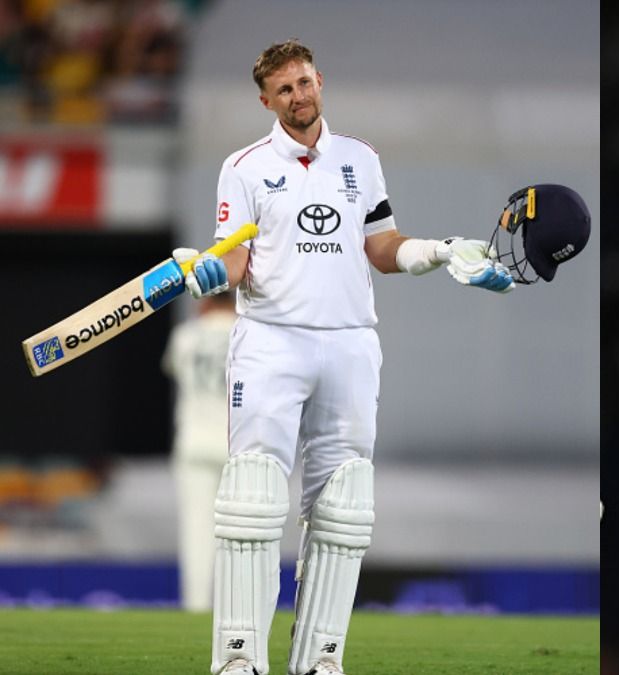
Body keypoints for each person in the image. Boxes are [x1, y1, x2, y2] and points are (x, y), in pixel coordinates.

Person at [180, 39, 519, 675]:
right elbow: (235, 261)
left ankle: (319, 660)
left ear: (320, 81)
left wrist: (441, 251)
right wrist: (207, 273)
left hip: (350, 342)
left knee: (343, 506)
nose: (298, 96)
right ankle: (238, 659)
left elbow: (382, 247)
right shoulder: (244, 166)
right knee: (253, 498)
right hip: (271, 341)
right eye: (284, 90)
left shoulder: (360, 158)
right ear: (266, 101)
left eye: (304, 83)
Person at [162, 291, 237, 613]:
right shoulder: (249, 333)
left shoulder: (185, 336)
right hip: (238, 445)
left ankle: (196, 606)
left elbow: (173, 367)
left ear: (204, 302)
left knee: (197, 530)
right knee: (239, 533)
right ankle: (236, 611)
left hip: (194, 442)